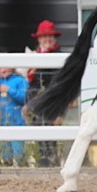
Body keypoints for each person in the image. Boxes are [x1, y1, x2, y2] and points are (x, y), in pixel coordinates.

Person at [25, 20, 63, 166]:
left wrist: (58, 111)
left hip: (50, 106)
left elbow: (58, 85)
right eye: (44, 36)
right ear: (39, 39)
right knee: (40, 143)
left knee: (51, 145)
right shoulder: (36, 56)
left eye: (50, 36)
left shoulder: (58, 57)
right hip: (36, 105)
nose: (47, 39)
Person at [0, 67, 28, 165]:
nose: (2, 70)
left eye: (5, 67)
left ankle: (22, 170)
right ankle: (6, 170)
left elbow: (25, 98)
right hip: (2, 124)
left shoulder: (20, 81)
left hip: (17, 123)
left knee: (19, 152)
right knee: (5, 154)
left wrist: (9, 90)